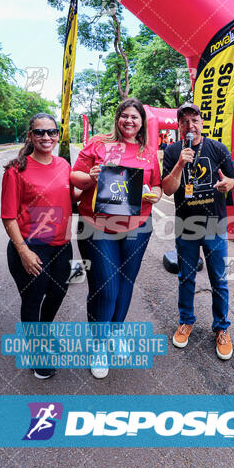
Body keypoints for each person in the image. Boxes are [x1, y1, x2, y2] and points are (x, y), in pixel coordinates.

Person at [71, 98, 161, 378]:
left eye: (135, 117)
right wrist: (91, 176)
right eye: (125, 116)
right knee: (105, 288)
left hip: (137, 227)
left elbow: (157, 188)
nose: (129, 121)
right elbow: (75, 176)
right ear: (117, 118)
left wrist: (152, 194)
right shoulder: (97, 143)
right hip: (97, 226)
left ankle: (114, 332)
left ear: (142, 122)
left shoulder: (148, 151)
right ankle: (98, 345)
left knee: (125, 284)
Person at [162, 102, 234, 360]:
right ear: (179, 126)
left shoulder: (217, 148)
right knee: (186, 276)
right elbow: (168, 189)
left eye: (194, 120)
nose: (190, 125)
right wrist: (179, 165)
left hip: (214, 225)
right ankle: (186, 321)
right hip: (185, 225)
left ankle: (221, 328)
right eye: (184, 121)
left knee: (219, 279)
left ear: (202, 123)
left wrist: (230, 183)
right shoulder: (173, 151)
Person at [1, 113, 73, 380]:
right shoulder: (15, 170)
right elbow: (8, 217)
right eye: (40, 132)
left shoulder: (64, 164)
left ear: (58, 135)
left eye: (51, 132)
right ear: (30, 136)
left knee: (58, 293)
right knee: (33, 299)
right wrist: (23, 251)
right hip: (31, 246)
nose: (46, 137)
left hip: (62, 246)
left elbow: (70, 196)